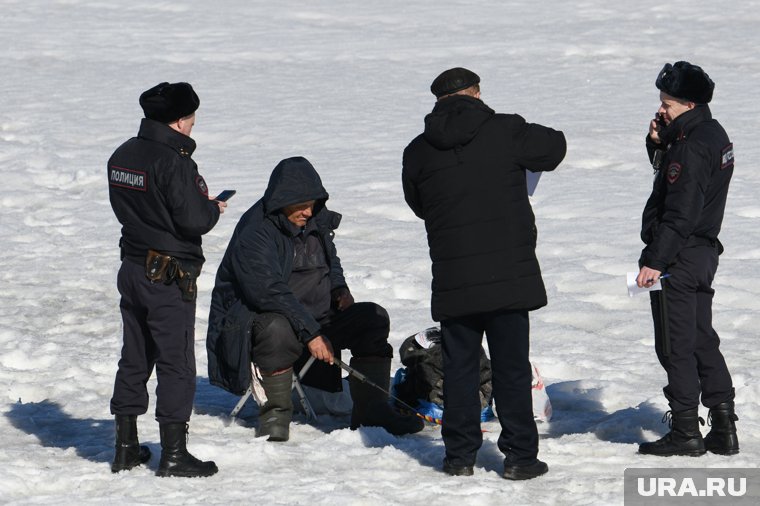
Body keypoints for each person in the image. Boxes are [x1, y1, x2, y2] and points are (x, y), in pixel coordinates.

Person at [402, 68, 566, 479]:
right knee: (511, 369)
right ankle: (520, 458)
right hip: (508, 275)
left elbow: (419, 203)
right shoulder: (507, 130)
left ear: (438, 100)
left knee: (459, 369)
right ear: (475, 93)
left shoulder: (418, 150)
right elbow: (555, 148)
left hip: (456, 278)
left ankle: (459, 458)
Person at [206, 156, 423, 442]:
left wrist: (339, 289)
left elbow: (330, 260)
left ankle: (372, 410)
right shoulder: (256, 232)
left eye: (313, 204)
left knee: (373, 318)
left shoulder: (314, 217)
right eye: (302, 205)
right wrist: (312, 333)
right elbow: (269, 292)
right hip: (262, 321)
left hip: (318, 318)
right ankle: (275, 414)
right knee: (276, 327)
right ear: (283, 200)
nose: (309, 212)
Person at [108, 82, 225, 477]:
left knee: (135, 355)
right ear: (179, 119)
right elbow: (193, 220)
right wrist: (212, 209)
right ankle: (174, 455)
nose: (193, 126)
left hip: (133, 267)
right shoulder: (175, 162)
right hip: (168, 274)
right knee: (176, 362)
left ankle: (125, 448)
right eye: (191, 118)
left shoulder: (122, 154)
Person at [636, 61, 738, 457]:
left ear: (690, 104)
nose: (662, 109)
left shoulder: (692, 145)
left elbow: (681, 211)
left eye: (669, 104)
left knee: (676, 345)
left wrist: (655, 261)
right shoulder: (710, 134)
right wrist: (659, 144)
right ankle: (724, 425)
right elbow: (679, 181)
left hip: (680, 255)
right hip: (702, 252)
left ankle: (685, 431)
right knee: (700, 339)